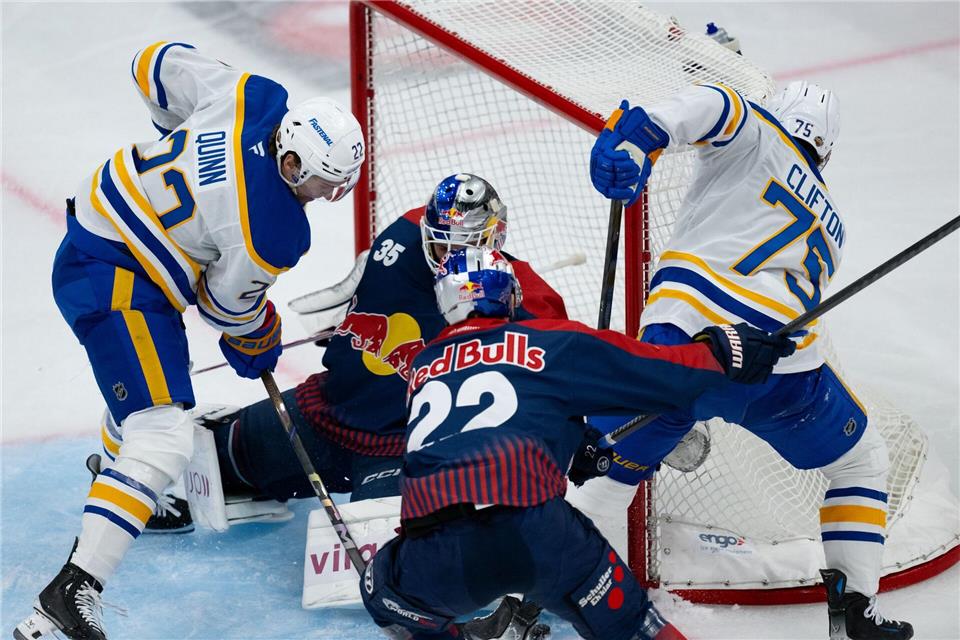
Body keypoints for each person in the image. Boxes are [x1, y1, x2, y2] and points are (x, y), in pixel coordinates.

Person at [14, 41, 365, 640]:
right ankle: (67, 597)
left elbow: (153, 63)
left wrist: (182, 141)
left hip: (103, 220)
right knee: (164, 431)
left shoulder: (255, 97)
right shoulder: (273, 229)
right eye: (323, 185)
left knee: (151, 394)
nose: (327, 198)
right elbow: (226, 306)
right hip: (117, 279)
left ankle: (121, 485)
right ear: (294, 166)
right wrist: (261, 335)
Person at [580, 80, 914, 639]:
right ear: (826, 150)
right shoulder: (833, 220)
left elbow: (716, 103)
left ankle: (540, 600)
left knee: (598, 474)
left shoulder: (756, 131)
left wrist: (641, 137)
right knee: (861, 463)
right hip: (781, 372)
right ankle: (856, 613)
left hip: (684, 348)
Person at [360, 245, 795, 640]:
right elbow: (666, 376)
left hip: (437, 549)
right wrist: (723, 350)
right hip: (537, 532)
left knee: (386, 599)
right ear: (510, 296)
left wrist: (573, 441)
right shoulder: (550, 340)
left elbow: (465, 436)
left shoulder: (420, 367)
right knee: (633, 626)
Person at [200, 173, 567, 511]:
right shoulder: (405, 233)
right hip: (330, 412)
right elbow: (371, 278)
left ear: (493, 240)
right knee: (217, 458)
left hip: (409, 453)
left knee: (390, 552)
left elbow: (565, 381)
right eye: (442, 247)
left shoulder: (527, 302)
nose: (449, 260)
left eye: (463, 248)